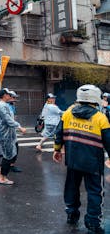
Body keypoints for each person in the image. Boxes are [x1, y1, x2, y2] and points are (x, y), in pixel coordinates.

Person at [53, 84, 110, 234]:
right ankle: (92, 221)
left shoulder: (68, 113)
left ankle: (72, 214)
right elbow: (109, 142)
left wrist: (57, 150)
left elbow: (58, 134)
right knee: (95, 192)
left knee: (71, 187)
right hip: (93, 163)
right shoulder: (100, 118)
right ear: (95, 98)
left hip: (72, 160)